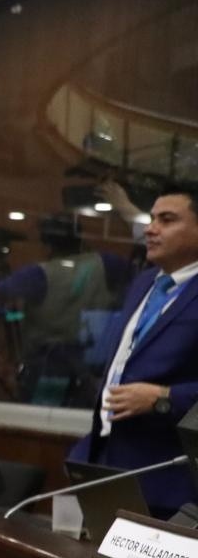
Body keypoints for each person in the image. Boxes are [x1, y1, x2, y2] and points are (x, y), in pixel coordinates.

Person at [69, 186, 198, 516]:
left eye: (166, 220)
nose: (150, 229)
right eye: (152, 218)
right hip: (105, 465)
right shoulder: (144, 283)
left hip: (166, 477)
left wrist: (163, 397)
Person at [0, 213, 131, 404]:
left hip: (47, 367)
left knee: (40, 421)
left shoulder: (38, 274)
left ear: (46, 245)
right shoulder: (106, 263)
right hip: (90, 368)